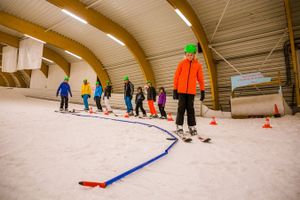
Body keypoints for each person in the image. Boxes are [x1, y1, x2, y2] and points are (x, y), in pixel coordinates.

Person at [173, 44, 205, 136]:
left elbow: (201, 79)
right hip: (181, 91)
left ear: (194, 55)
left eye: (191, 55)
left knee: (190, 109)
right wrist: (175, 89)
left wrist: (202, 91)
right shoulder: (181, 64)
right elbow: (176, 77)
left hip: (191, 91)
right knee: (181, 108)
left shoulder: (198, 65)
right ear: (185, 54)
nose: (189, 56)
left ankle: (192, 126)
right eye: (188, 54)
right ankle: (179, 126)